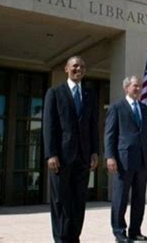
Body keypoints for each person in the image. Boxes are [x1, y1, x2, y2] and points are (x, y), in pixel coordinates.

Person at [43, 55, 99, 243]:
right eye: (75, 66)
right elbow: (49, 125)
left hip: (83, 157)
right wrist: (51, 154)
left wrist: (94, 151)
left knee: (78, 200)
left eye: (82, 66)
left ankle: (74, 238)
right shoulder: (55, 92)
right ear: (66, 69)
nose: (79, 69)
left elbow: (93, 125)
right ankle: (61, 239)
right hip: (61, 158)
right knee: (60, 201)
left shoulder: (90, 95)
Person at [104, 76, 147, 242]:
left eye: (139, 86)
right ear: (126, 87)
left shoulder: (144, 109)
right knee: (120, 197)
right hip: (123, 160)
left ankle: (135, 230)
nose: (138, 89)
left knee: (139, 197)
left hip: (142, 160)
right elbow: (110, 134)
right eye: (135, 86)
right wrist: (110, 156)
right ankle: (119, 231)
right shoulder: (116, 108)